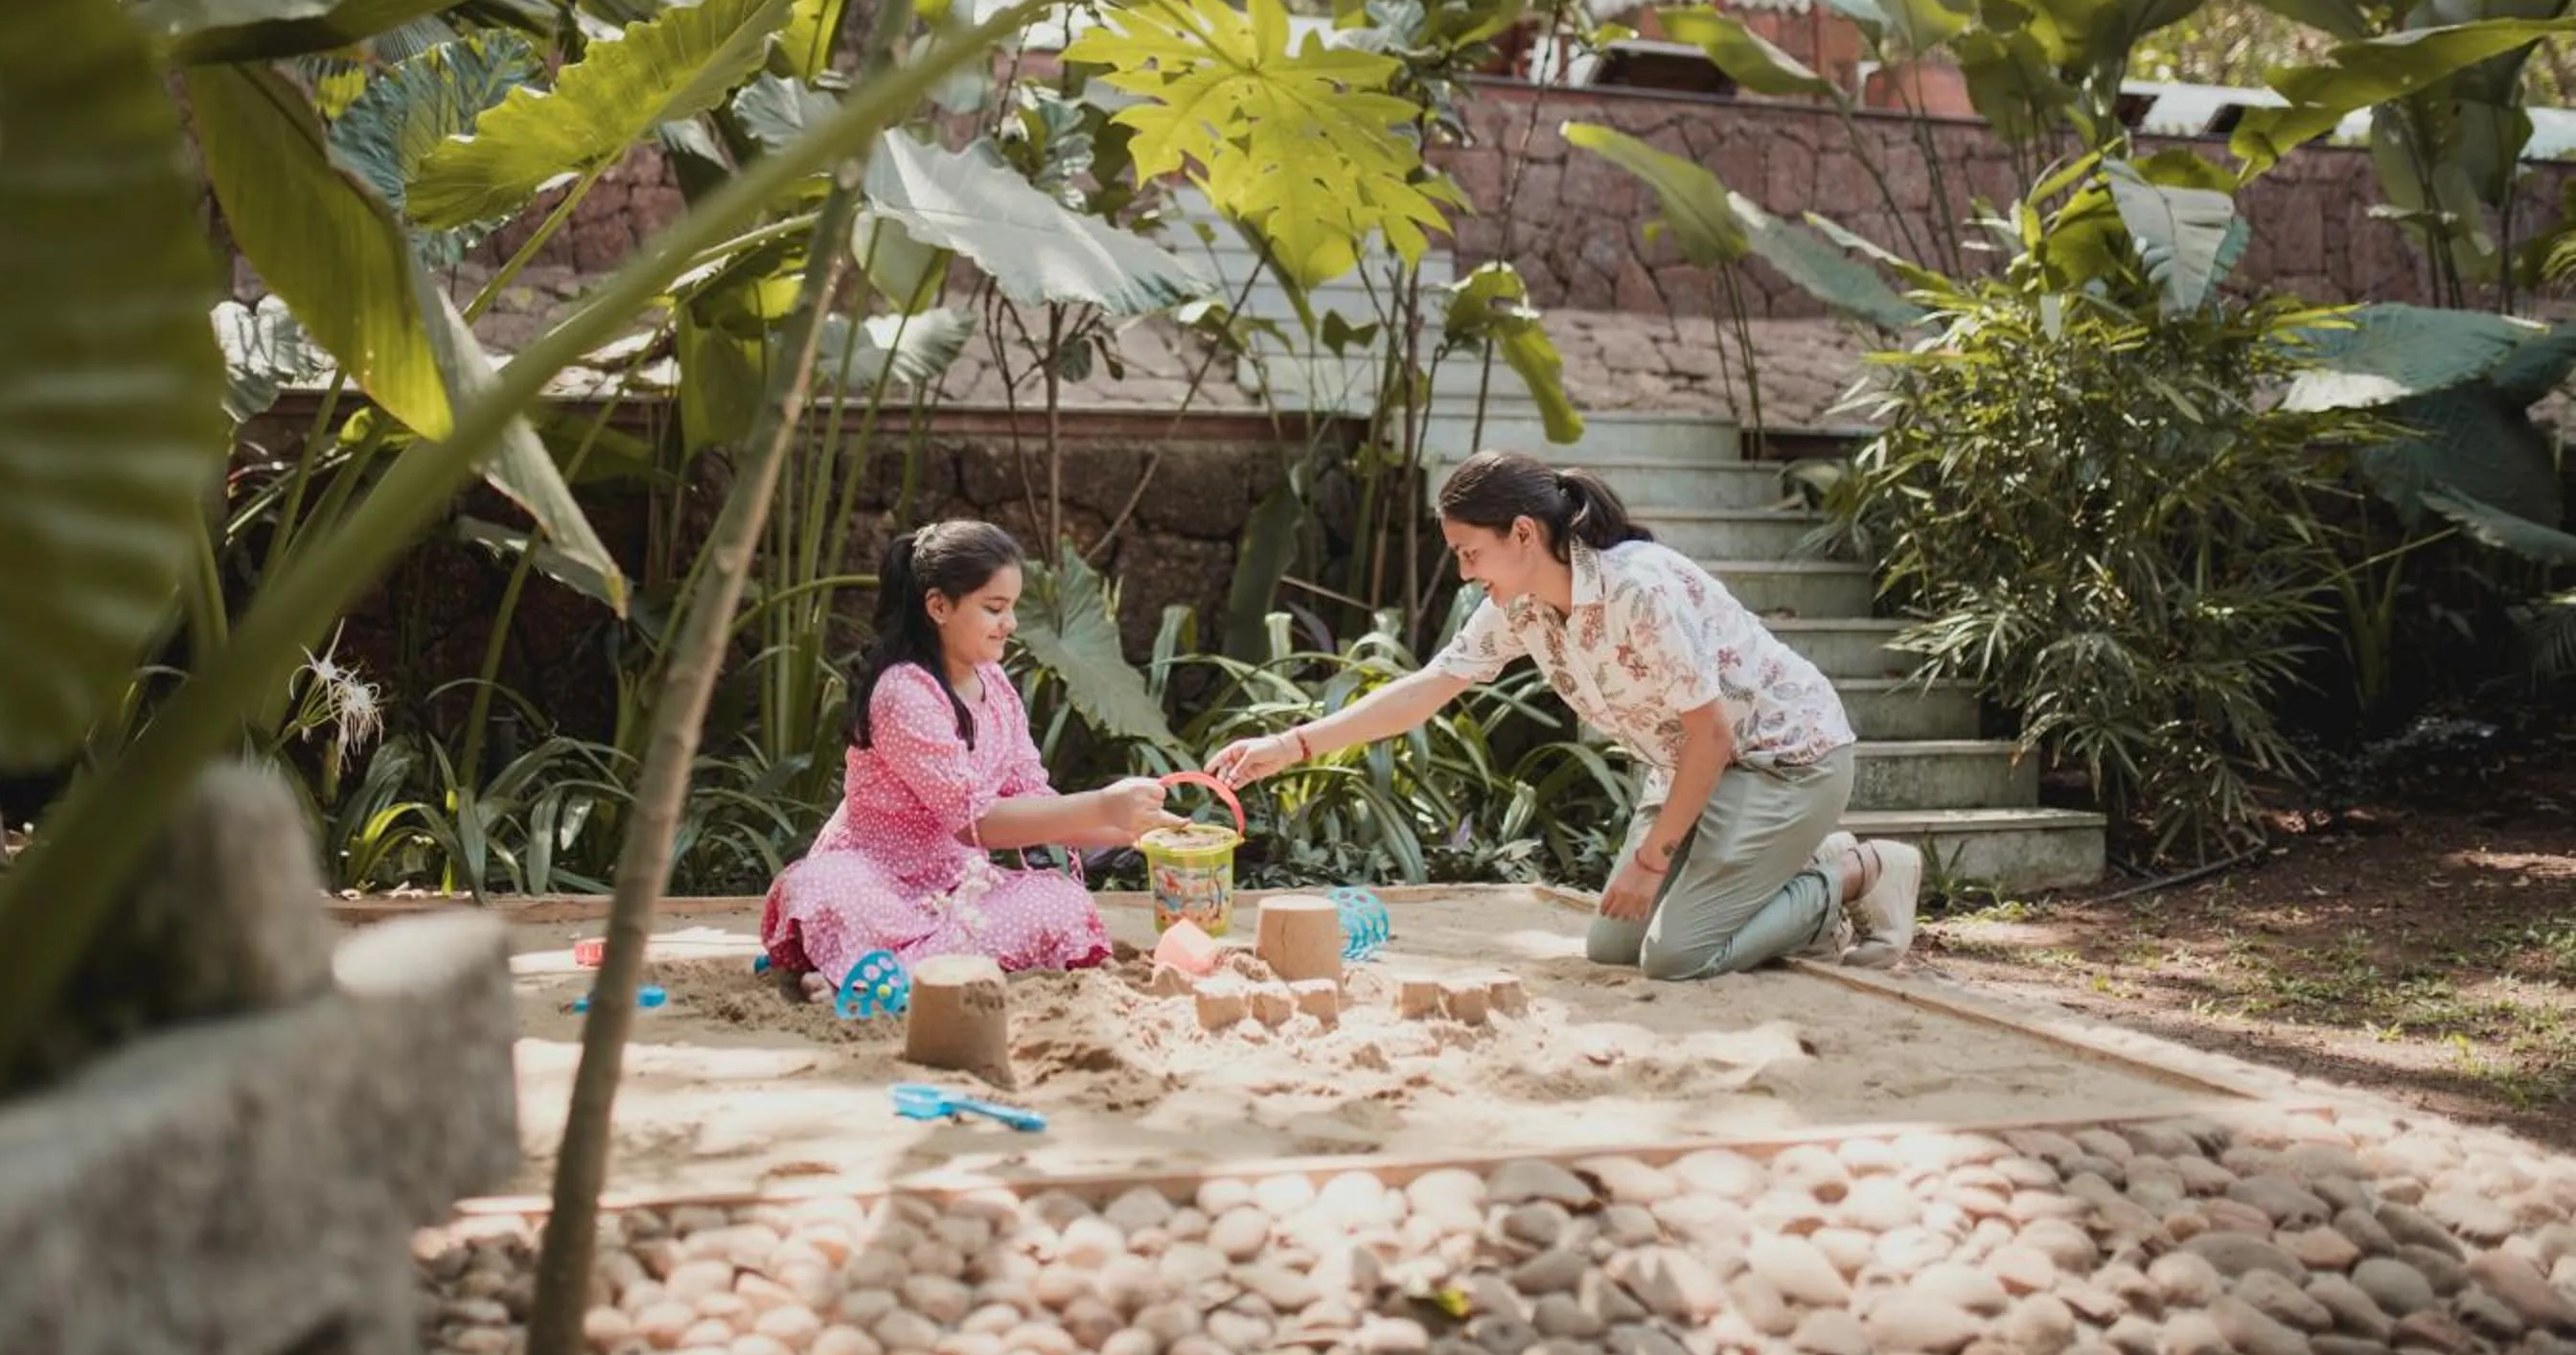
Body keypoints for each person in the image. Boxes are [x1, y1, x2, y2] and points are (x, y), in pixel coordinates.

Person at [1209, 450, 1920, 979]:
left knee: (1676, 957)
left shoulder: (1637, 591)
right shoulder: (1519, 607)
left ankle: (1858, 872)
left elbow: (1712, 734)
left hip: (1784, 763)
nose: (1464, 573)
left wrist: (1652, 859)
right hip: (1696, 773)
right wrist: (1290, 745)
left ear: (1523, 533)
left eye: (1469, 553)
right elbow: (1426, 689)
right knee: (1613, 946)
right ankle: (1789, 863)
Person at [762, 518, 1181, 998]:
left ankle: (877, 973)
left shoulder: (995, 685)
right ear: (938, 606)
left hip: (959, 891)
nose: (1011, 624)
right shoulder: (903, 692)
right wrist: (1104, 805)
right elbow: (974, 822)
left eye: (1012, 608)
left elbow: (1034, 802)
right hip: (876, 885)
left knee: (1060, 903)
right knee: (829, 886)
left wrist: (1132, 829)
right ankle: (884, 970)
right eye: (994, 608)